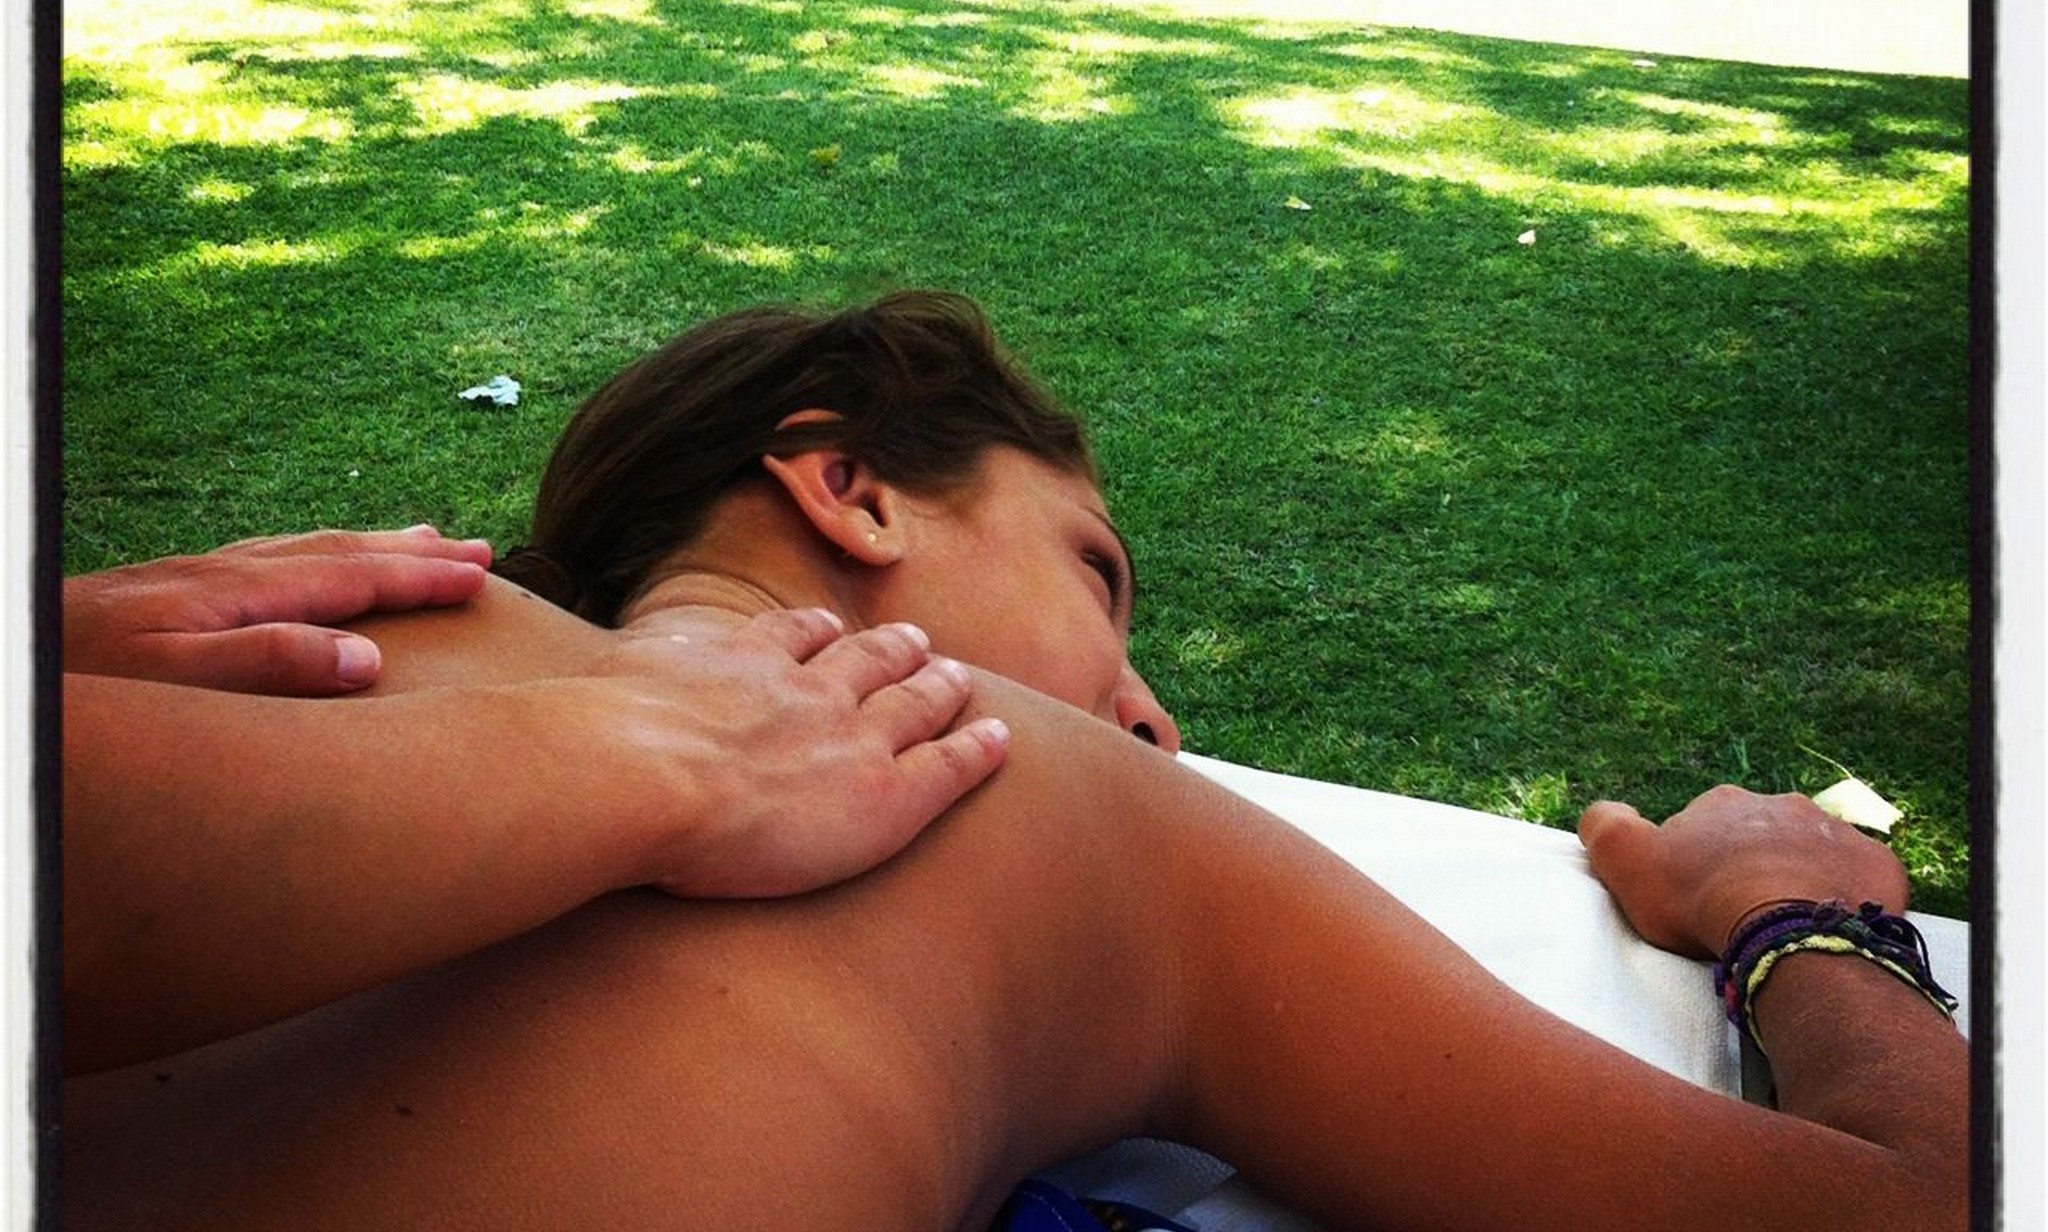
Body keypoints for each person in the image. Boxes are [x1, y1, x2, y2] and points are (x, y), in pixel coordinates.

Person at [62, 292, 1966, 1231]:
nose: (1151, 712)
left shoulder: (229, 643)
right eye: (1096, 576)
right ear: (851, 487)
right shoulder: (1030, 800)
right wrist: (1803, 918)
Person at [62, 525, 1009, 1074]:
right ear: (854, 496)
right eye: (1081, 559)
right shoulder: (985, 760)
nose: (1155, 725)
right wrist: (670, 753)